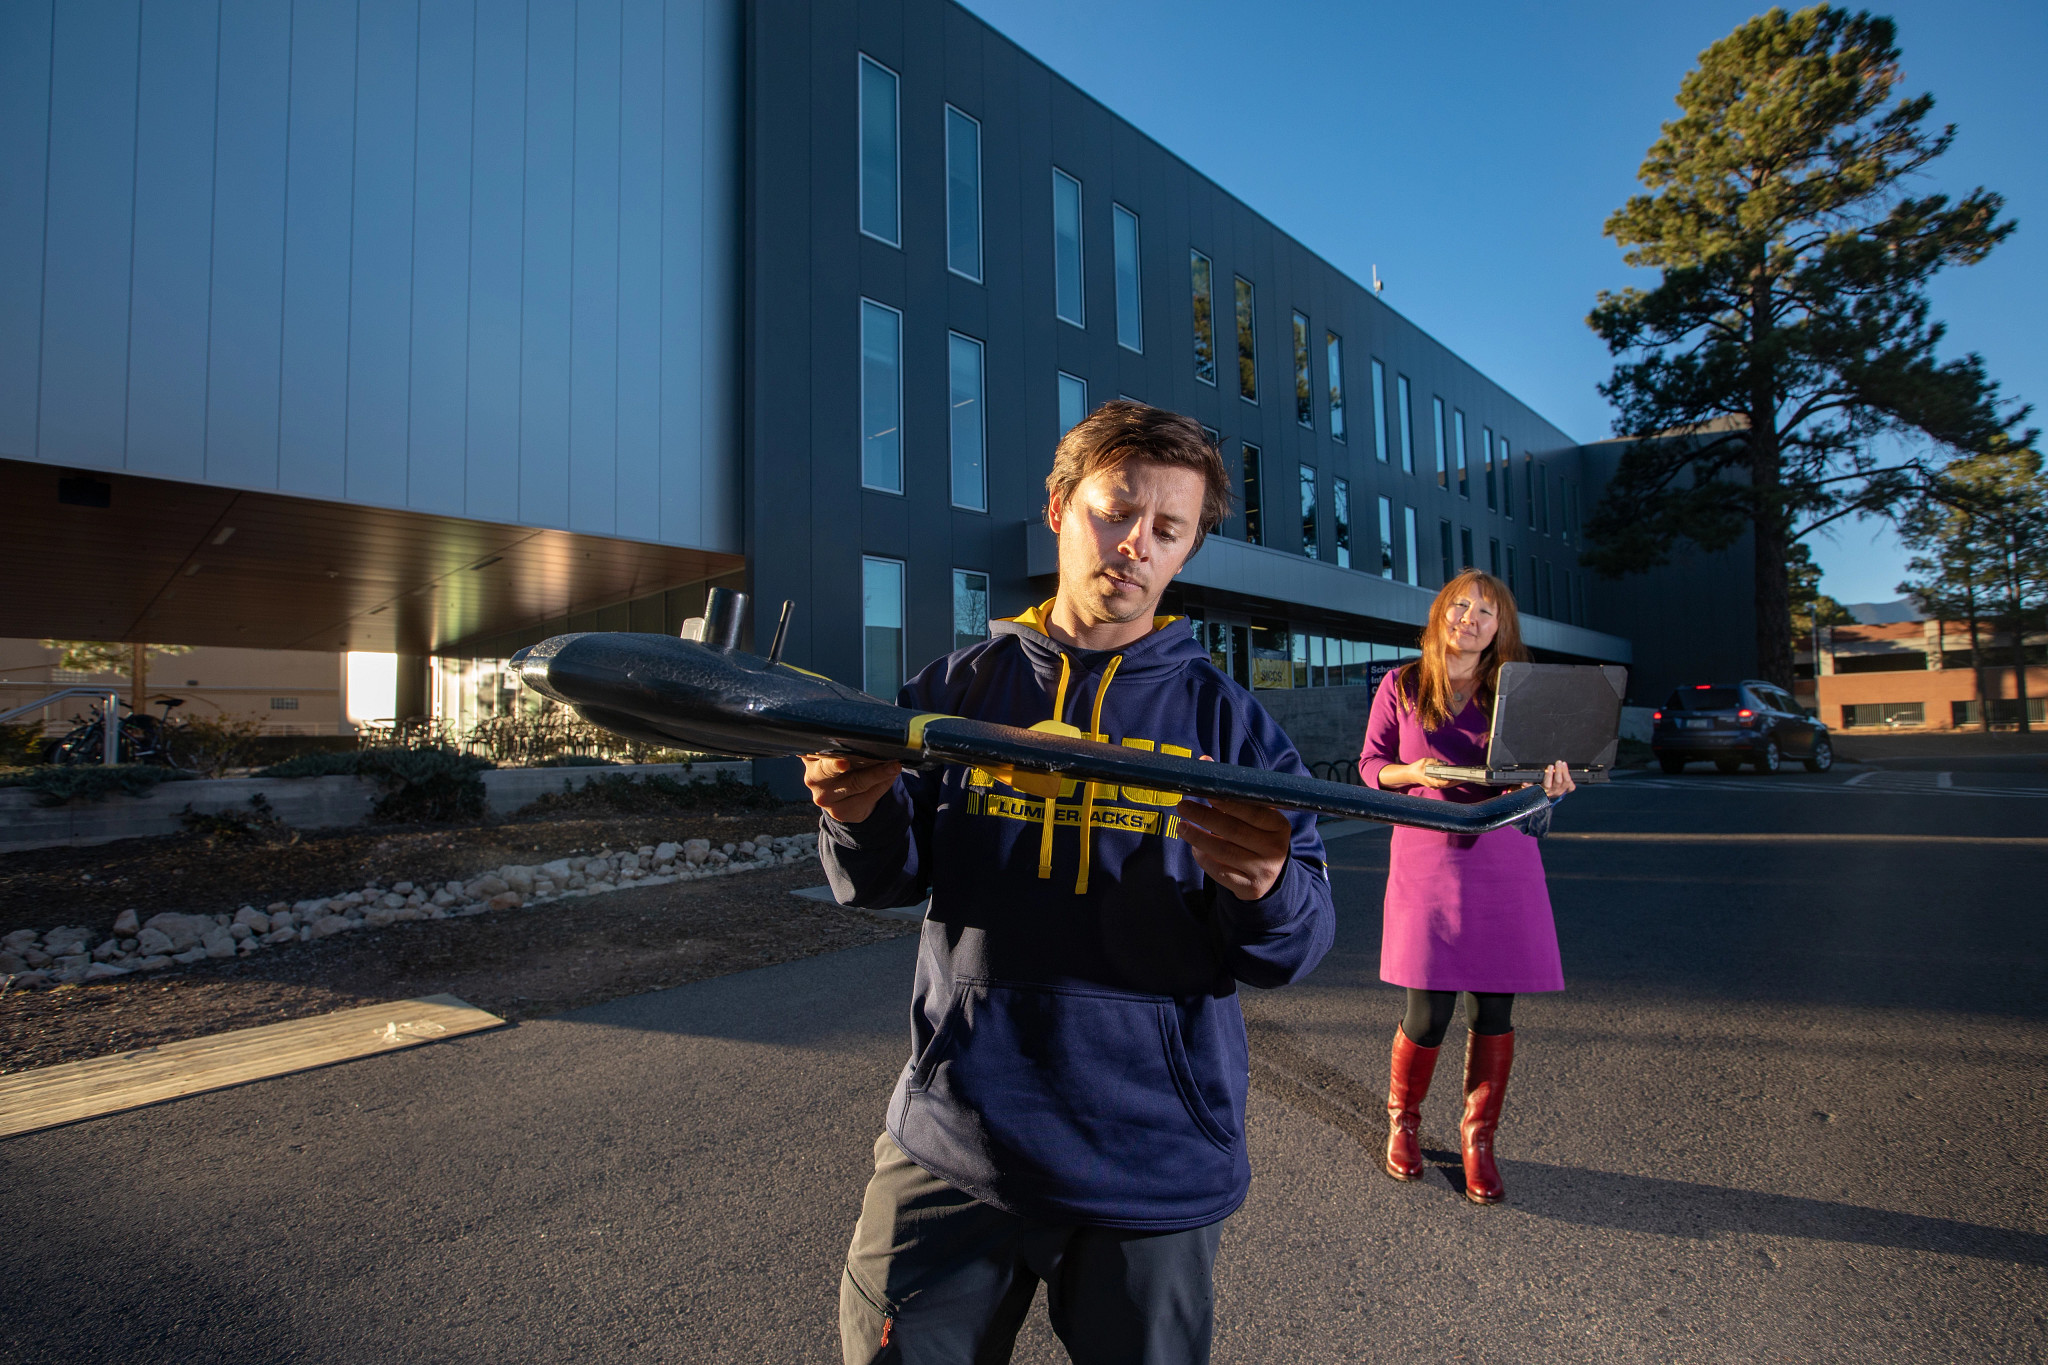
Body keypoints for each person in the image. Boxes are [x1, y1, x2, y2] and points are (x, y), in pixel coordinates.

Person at [806, 401, 1335, 1364]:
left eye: (1167, 528)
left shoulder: (1232, 728)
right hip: (956, 1141)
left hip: (1153, 1163)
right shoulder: (955, 692)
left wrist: (1266, 888)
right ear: (1058, 509)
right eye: (1114, 511)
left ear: (1186, 549)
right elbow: (882, 879)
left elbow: (1293, 946)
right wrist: (856, 813)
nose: (1135, 544)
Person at [1356, 568, 1574, 1205]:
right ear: (1440, 614)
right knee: (1427, 1012)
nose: (1469, 620)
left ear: (1500, 627)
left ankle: (1479, 1139)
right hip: (1426, 856)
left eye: (1485, 612)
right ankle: (1404, 1124)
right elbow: (1371, 765)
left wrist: (1555, 784)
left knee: (1494, 1010)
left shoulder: (1516, 689)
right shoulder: (1402, 683)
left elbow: (1537, 775)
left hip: (1503, 857)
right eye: (1460, 606)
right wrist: (1413, 772)